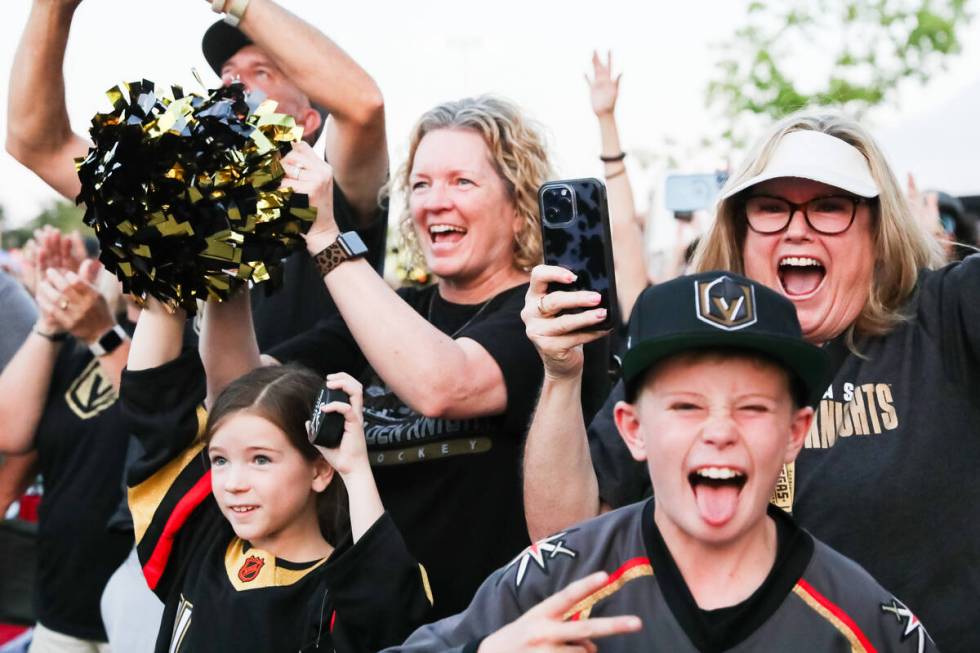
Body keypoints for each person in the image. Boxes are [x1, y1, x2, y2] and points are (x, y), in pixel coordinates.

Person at [521, 111, 979, 652]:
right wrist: (560, 373)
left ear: (878, 231)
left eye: (830, 206)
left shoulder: (946, 314)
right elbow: (562, 535)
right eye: (771, 208)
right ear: (739, 232)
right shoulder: (690, 349)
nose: (797, 227)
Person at [387, 272, 934, 652]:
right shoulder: (558, 580)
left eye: (752, 408)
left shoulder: (867, 621)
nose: (719, 431)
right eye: (686, 406)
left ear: (796, 433)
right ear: (633, 429)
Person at [200, 95, 549, 618]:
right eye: (422, 184)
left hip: (484, 630)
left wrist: (324, 233)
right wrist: (225, 259)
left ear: (520, 209)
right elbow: (241, 396)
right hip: (370, 622)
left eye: (463, 182)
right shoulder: (396, 310)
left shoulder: (546, 314)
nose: (435, 202)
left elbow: (445, 385)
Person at [6, 0, 390, 351]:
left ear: (307, 121)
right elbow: (37, 145)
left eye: (262, 72)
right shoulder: (178, 196)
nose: (232, 84)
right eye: (227, 73)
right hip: (196, 422)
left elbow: (362, 105)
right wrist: (52, 8)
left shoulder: (329, 200)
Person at [120, 296, 432, 653]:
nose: (234, 483)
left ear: (320, 469)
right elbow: (154, 400)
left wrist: (355, 467)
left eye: (261, 460)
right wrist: (162, 282)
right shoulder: (200, 539)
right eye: (220, 460)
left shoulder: (340, 592)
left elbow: (392, 612)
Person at [0, 229, 135, 653]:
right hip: (61, 605)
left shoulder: (189, 343)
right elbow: (9, 431)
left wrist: (103, 334)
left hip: (140, 612)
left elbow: (163, 418)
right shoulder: (77, 343)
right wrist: (50, 320)